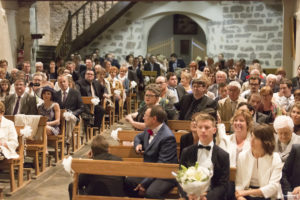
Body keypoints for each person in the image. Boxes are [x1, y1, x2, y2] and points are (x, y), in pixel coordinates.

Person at [125, 105, 178, 199]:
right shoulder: (150, 128)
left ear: (154, 119)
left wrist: (144, 184)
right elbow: (138, 137)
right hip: (150, 170)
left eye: (145, 115)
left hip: (164, 174)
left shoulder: (167, 137)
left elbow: (162, 164)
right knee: (129, 182)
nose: (143, 117)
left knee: (151, 194)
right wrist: (137, 144)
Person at [180, 113, 230, 200]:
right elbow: (181, 178)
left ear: (214, 130)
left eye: (207, 127)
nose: (203, 130)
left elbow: (223, 185)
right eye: (200, 127)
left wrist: (207, 197)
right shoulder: (187, 152)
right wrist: (187, 195)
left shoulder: (223, 155)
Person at [68, 135, 125, 200]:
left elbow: (79, 182)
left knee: (72, 185)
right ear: (108, 149)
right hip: (116, 197)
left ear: (91, 151)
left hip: (95, 197)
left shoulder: (91, 164)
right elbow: (123, 180)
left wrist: (90, 159)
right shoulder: (119, 160)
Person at [235, 124, 283, 200]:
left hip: (268, 196)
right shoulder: (242, 156)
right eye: (251, 136)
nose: (251, 140)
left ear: (265, 141)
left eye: (256, 138)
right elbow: (239, 184)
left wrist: (248, 192)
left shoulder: (275, 158)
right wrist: (240, 197)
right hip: (245, 196)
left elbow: (273, 187)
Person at [56, 75, 84, 146]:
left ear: (68, 82)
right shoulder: (56, 94)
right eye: (60, 82)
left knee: (70, 118)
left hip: (73, 116)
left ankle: (67, 139)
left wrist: (73, 113)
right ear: (58, 84)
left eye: (64, 81)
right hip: (60, 117)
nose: (62, 83)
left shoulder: (75, 93)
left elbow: (81, 107)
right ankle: (66, 139)